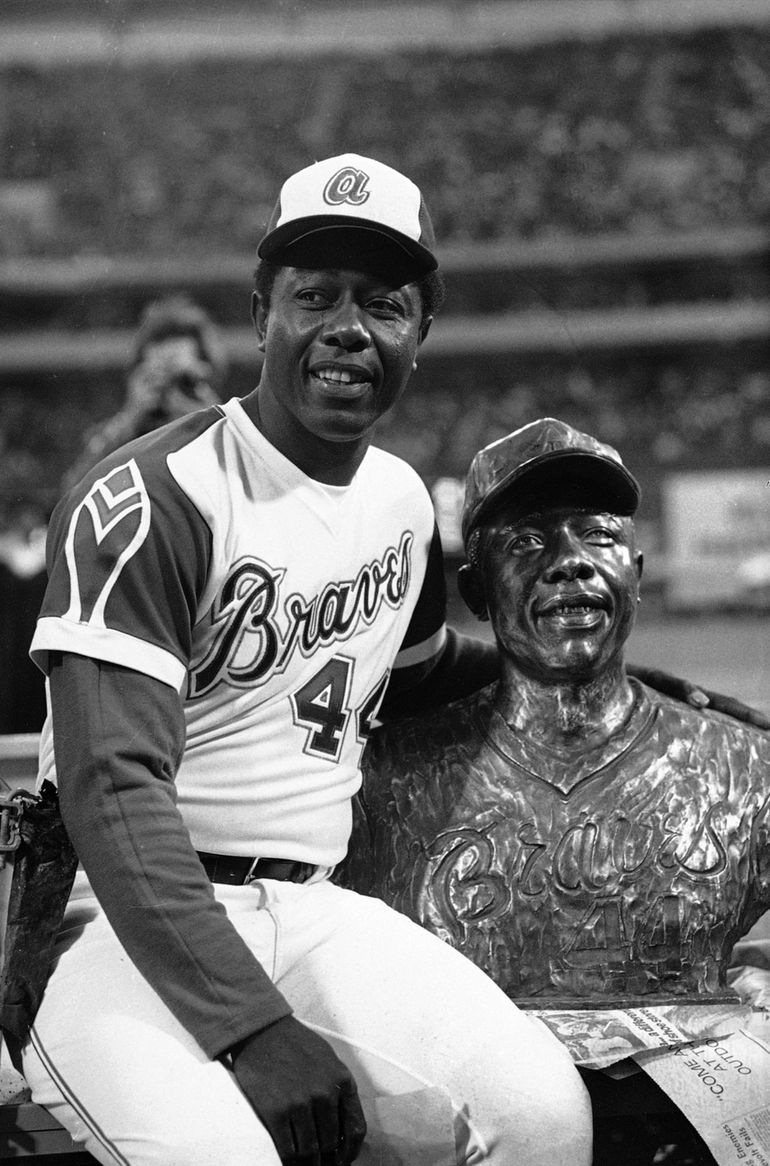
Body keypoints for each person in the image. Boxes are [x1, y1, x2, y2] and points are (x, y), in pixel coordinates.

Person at [21, 156, 594, 1166]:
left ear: (420, 334)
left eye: (382, 302)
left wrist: (553, 668)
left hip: (315, 906)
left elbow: (406, 671)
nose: (346, 325)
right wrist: (251, 1028)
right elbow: (112, 790)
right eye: (314, 295)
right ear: (258, 314)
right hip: (113, 925)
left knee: (541, 1115)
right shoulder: (153, 496)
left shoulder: (403, 500)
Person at [344, 417, 770, 1010]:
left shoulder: (749, 769)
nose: (571, 561)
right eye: (525, 542)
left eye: (597, 535)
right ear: (476, 592)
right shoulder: (383, 783)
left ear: (636, 574)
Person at [60, 294, 227, 492]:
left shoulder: (227, 432)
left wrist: (210, 421)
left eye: (183, 379)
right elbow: (72, 496)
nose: (170, 390)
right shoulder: (115, 437)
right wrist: (129, 420)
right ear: (137, 375)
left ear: (207, 374)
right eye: (157, 378)